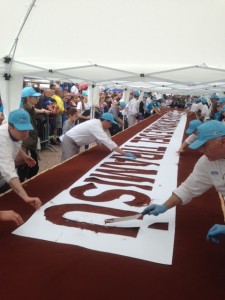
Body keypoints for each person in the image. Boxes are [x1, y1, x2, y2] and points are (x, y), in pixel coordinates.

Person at [142, 120, 225, 244]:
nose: (201, 151)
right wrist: (164, 206)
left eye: (204, 145)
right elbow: (188, 188)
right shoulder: (207, 162)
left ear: (223, 141)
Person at [0, 109, 42, 225]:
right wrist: (26, 197)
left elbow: (16, 143)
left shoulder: (14, 133)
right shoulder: (2, 140)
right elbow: (9, 173)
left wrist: (24, 156)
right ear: (10, 128)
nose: (25, 133)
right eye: (21, 130)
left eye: (27, 129)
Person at [61, 112, 136, 162]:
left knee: (73, 160)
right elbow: (106, 140)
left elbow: (100, 141)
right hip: (70, 141)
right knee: (66, 162)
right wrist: (123, 153)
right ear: (106, 121)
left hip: (76, 142)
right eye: (110, 124)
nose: (110, 126)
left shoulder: (98, 125)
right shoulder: (96, 125)